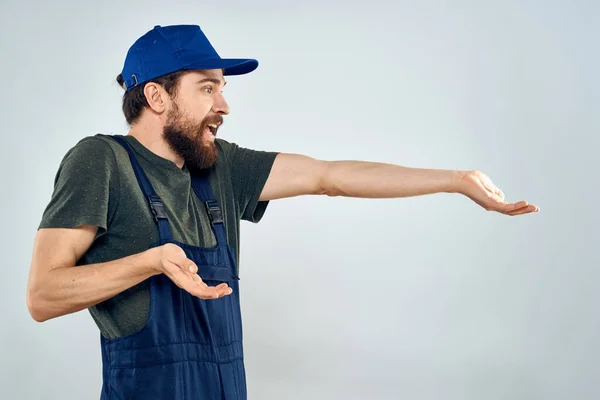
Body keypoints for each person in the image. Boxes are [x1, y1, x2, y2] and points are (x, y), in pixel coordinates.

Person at [25, 24, 539, 400]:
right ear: (157, 96)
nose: (225, 104)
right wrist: (150, 260)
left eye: (223, 87)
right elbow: (42, 295)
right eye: (208, 88)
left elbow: (328, 175)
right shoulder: (100, 161)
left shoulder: (219, 167)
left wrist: (454, 181)